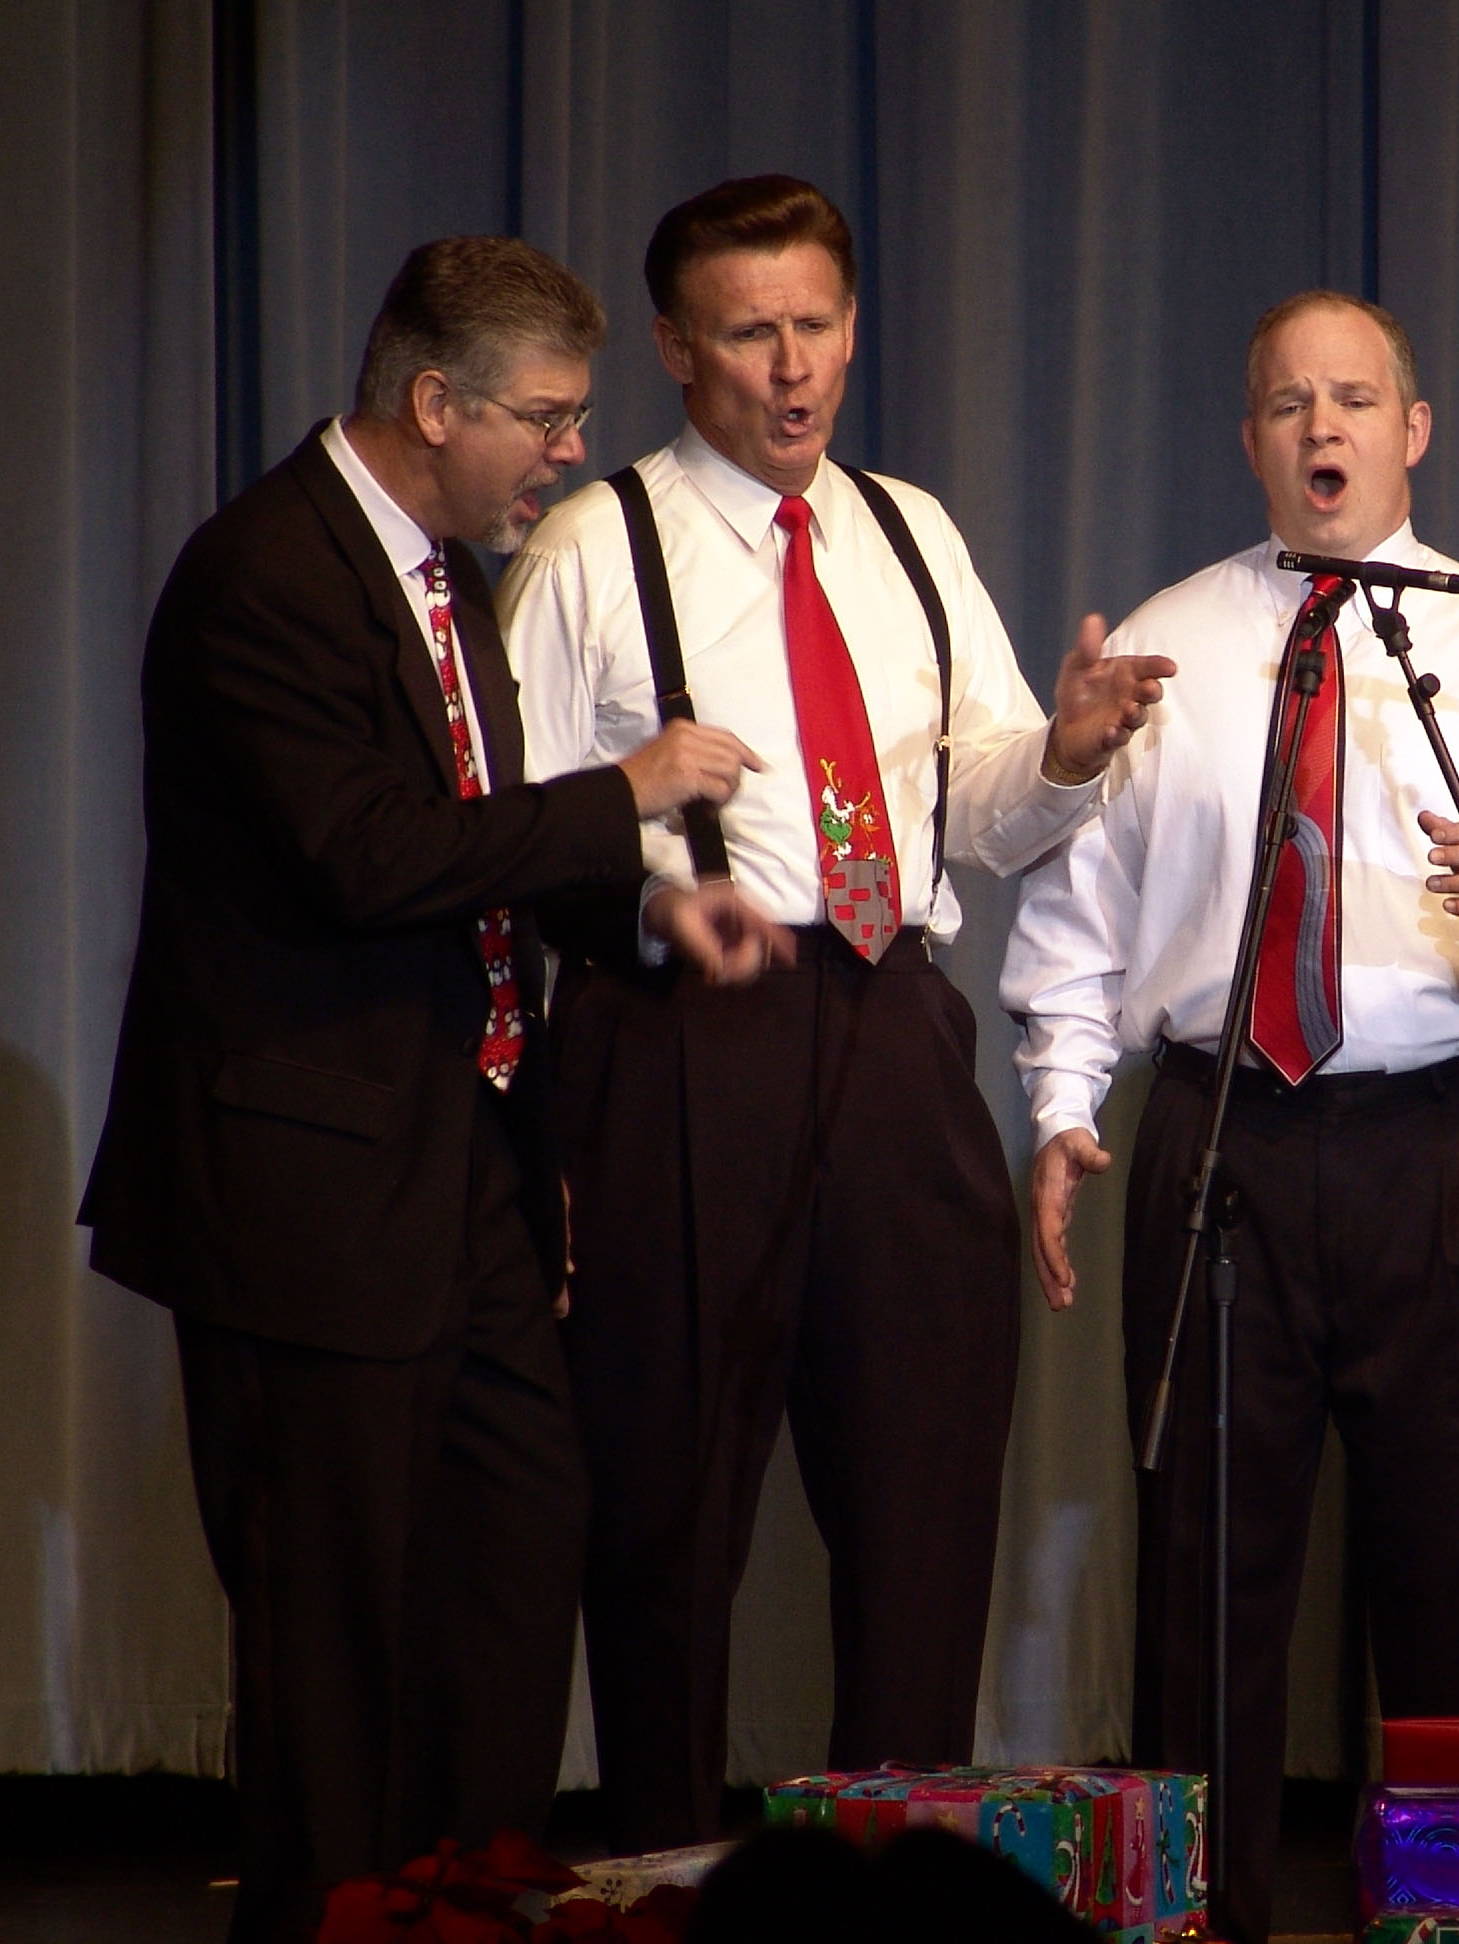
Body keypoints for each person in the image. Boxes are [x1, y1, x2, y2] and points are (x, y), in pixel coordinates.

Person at [79, 237, 756, 1942]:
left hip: (464, 1167)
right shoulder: (266, 574)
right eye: (547, 417)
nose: (569, 453)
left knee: (515, 1549)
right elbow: (367, 857)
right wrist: (625, 793)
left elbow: (477, 847)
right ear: (435, 401)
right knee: (336, 1633)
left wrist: (645, 909)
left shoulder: (443, 577)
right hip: (305, 1191)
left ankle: (462, 1908)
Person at [499, 174, 1171, 1854]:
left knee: (925, 1488)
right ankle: (662, 1871)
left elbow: (981, 806)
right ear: (677, 349)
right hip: (683, 1029)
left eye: (816, 326)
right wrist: (641, 910)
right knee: (667, 1504)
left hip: (894, 1027)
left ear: (855, 328)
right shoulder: (596, 547)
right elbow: (514, 829)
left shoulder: (908, 531)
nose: (792, 368)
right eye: (751, 334)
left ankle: (898, 1878)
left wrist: (1065, 751)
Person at [1003, 289, 1459, 1943]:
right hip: (1221, 1142)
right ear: (1251, 439)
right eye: (1291, 403)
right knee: (1204, 1581)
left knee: (1458, 1581)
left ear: (1411, 430)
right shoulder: (1171, 647)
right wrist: (1065, 1105)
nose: (1324, 429)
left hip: (1445, 1142)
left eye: (1355, 399)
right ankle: (1201, 1923)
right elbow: (1078, 921)